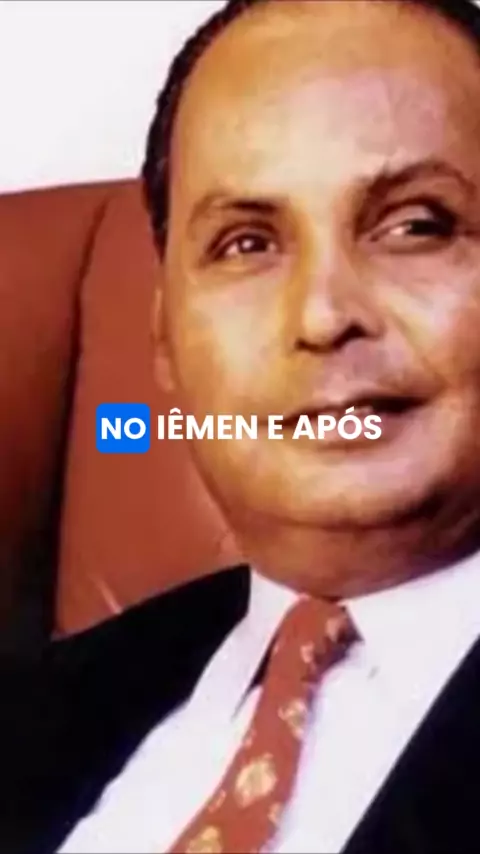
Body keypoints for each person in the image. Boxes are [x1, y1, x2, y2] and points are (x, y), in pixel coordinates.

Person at [3, 0, 480, 851]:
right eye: (247, 244)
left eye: (416, 226)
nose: (324, 315)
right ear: (165, 340)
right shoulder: (34, 711)